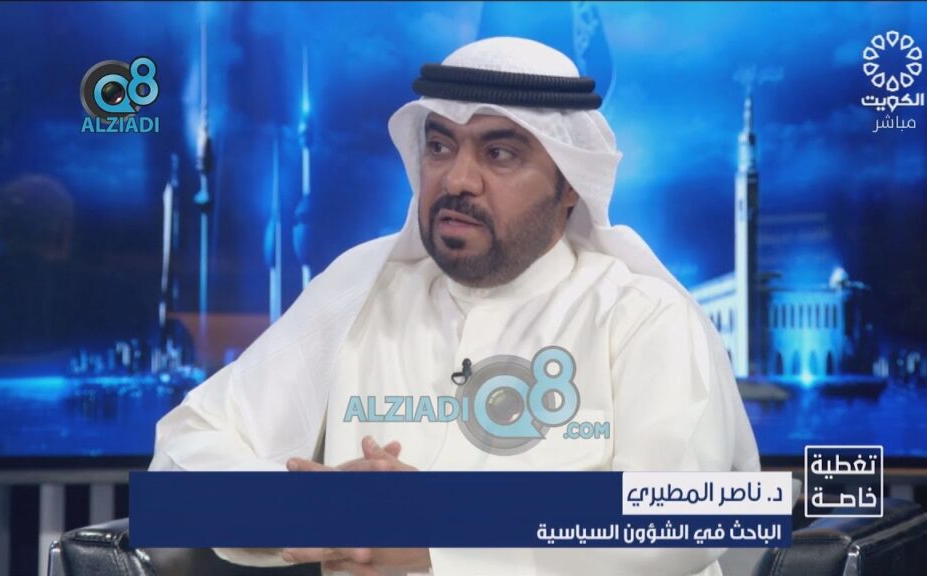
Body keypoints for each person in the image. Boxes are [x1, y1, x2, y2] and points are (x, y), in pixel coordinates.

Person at [149, 36, 760, 576]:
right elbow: (176, 471)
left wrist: (439, 529)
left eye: (500, 153)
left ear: (571, 182)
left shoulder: (643, 316)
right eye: (440, 146)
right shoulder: (361, 290)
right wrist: (317, 508)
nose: (457, 179)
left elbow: (694, 517)